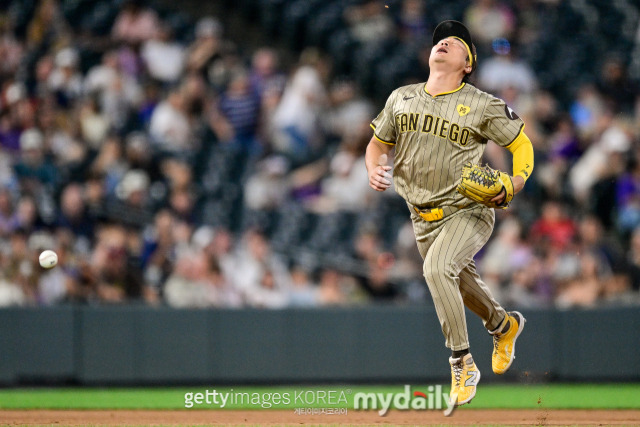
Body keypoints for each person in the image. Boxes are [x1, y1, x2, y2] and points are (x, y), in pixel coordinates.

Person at [365, 21, 534, 410]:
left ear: (467, 63)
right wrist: (373, 167)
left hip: (467, 209)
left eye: (455, 41)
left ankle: (462, 362)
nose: (444, 41)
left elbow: (521, 142)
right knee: (456, 283)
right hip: (421, 217)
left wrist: (518, 180)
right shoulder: (401, 98)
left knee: (437, 271)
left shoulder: (482, 103)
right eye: (440, 38)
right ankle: (503, 325)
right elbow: (376, 145)